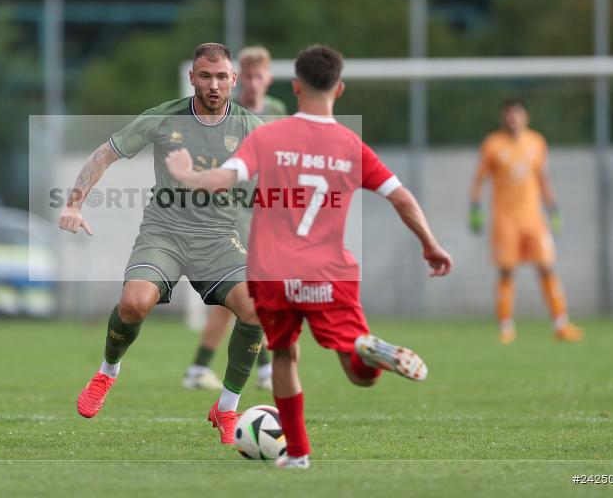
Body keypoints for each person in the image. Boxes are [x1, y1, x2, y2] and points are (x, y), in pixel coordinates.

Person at [166, 44, 453, 469]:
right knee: (358, 374)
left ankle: (298, 455)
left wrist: (187, 174)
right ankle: (367, 350)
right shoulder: (350, 145)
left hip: (272, 273)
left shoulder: (267, 135)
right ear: (339, 89)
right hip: (330, 273)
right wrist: (430, 244)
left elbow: (224, 179)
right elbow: (402, 197)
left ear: (296, 87)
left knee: (284, 355)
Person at [59, 42, 265, 445]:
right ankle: (107, 371)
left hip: (218, 240)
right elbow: (105, 154)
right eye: (205, 76)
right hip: (164, 233)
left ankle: (226, 408)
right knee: (133, 304)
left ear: (233, 80)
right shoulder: (163, 118)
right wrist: (73, 204)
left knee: (257, 306)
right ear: (192, 77)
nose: (213, 84)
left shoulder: (252, 128)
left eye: (222, 76)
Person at [183, 46, 285, 393]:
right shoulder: (225, 110)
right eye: (250, 76)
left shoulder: (275, 111)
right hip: (232, 213)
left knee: (239, 299)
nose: (255, 83)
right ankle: (266, 369)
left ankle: (199, 368)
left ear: (268, 78)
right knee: (248, 292)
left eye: (261, 76)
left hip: (263, 210)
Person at [469, 100, 584, 344]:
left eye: (517, 115)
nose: (513, 119)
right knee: (507, 271)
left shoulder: (536, 142)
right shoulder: (492, 144)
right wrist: (475, 208)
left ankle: (561, 325)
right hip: (505, 219)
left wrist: (553, 208)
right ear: (503, 118)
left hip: (533, 218)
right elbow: (479, 179)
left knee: (546, 266)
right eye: (509, 115)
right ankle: (505, 327)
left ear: (525, 118)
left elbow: (543, 178)